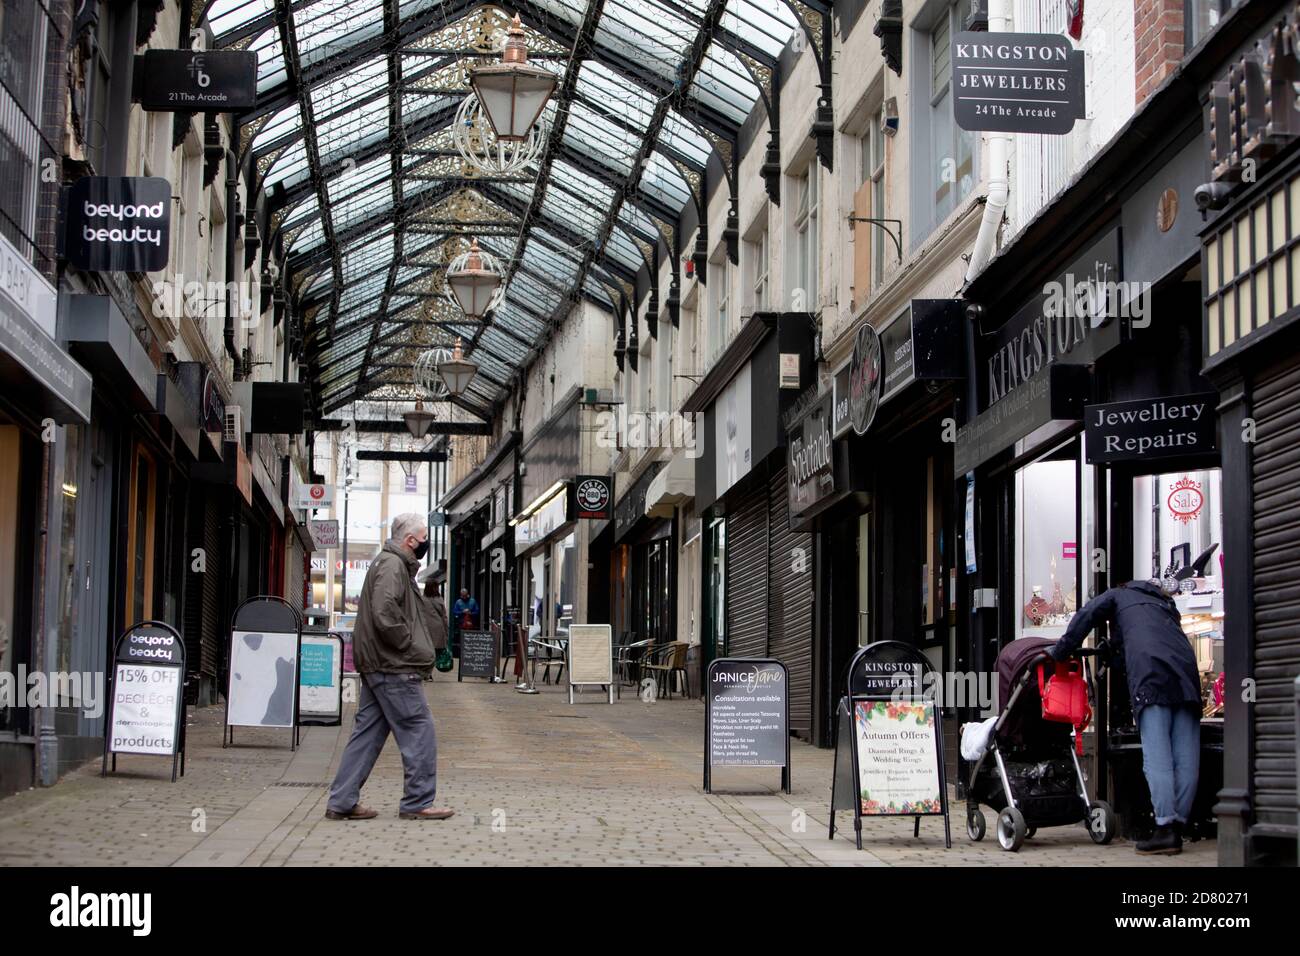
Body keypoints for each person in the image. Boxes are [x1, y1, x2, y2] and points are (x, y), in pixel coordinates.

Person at [1048, 578, 1201, 855]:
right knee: (1186, 754)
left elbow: (1086, 615)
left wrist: (1060, 653)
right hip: (1187, 673)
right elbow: (1127, 645)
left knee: (1158, 758)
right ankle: (1179, 825)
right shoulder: (1163, 602)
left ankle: (1165, 828)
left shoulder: (1118, 595)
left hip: (1151, 675)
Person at [325, 513, 454, 822]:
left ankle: (342, 801)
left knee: (367, 733)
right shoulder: (394, 566)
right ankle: (418, 801)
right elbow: (385, 613)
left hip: (380, 664)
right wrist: (410, 646)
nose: (425, 545)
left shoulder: (389, 564)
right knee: (419, 729)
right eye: (423, 539)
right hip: (395, 666)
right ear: (410, 541)